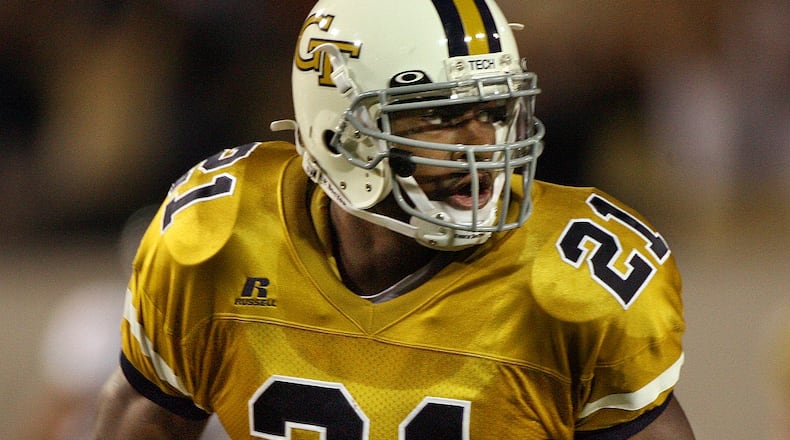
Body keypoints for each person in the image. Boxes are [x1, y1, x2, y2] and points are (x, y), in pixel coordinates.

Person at [92, 0, 695, 438]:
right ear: (340, 132)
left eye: (494, 109)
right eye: (441, 115)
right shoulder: (219, 237)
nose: (483, 146)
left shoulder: (573, 277)